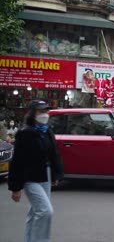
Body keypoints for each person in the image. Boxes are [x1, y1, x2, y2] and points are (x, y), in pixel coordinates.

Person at [8, 100, 64, 242]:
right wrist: (16, 187)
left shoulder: (47, 131)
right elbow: (17, 161)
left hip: (46, 174)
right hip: (30, 178)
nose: (44, 114)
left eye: (46, 111)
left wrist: (57, 174)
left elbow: (54, 154)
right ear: (33, 114)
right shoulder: (25, 133)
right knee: (45, 211)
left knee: (35, 212)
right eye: (41, 111)